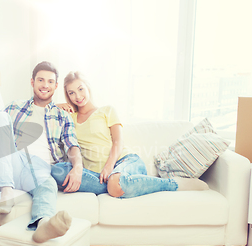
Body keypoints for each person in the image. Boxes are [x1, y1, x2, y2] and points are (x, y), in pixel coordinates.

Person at [0, 62, 83, 243]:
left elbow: (73, 145)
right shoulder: (14, 107)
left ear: (56, 86)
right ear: (32, 82)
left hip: (41, 168)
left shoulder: (63, 116)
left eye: (50, 81)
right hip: (13, 161)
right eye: (40, 80)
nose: (45, 85)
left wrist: (78, 167)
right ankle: (6, 193)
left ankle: (43, 225)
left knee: (48, 186)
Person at [52, 71, 208, 198]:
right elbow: (39, 109)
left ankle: (173, 184)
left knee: (114, 183)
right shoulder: (69, 117)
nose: (77, 96)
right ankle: (120, 185)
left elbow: (118, 141)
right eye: (71, 93)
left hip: (124, 161)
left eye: (80, 89)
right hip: (95, 175)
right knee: (56, 171)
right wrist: (56, 105)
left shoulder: (106, 110)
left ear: (87, 87)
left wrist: (109, 166)